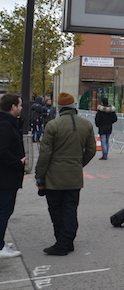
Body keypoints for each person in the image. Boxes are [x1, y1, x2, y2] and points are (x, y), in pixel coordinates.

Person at [35, 92, 96, 256]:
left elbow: (45, 154)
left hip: (53, 176)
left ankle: (61, 242)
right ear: (74, 106)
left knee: (56, 210)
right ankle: (67, 241)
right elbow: (91, 150)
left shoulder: (53, 125)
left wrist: (39, 174)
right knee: (70, 209)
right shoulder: (86, 125)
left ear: (60, 108)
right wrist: (79, 163)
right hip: (74, 175)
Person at [0, 94, 25, 259]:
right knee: (4, 210)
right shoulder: (6, 125)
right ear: (13, 107)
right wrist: (18, 163)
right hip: (6, 177)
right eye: (20, 105)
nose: (21, 108)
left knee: (4, 209)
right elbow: (2, 151)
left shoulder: (7, 122)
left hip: (6, 176)